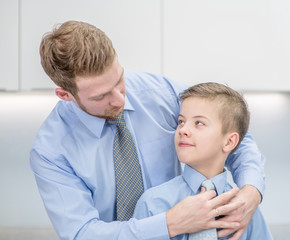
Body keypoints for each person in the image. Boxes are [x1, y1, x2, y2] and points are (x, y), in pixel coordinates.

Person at [30, 20, 266, 240]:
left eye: (119, 80)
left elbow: (231, 131)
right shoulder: (51, 151)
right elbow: (82, 233)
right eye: (101, 96)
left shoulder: (159, 93)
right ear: (65, 95)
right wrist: (171, 223)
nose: (120, 99)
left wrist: (252, 190)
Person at [133, 82, 272, 240]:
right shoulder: (152, 203)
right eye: (181, 121)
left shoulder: (244, 209)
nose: (183, 130)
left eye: (199, 123)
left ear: (228, 142)